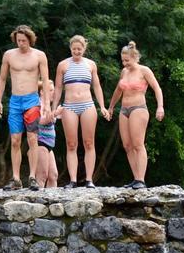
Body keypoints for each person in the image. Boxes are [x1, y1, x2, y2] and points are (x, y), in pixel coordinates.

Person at [0, 25, 49, 190]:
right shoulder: (9, 55)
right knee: (15, 140)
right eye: (18, 40)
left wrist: (46, 103)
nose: (21, 43)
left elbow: (46, 80)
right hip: (15, 101)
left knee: (33, 139)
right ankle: (16, 179)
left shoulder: (39, 55)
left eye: (24, 40)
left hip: (32, 100)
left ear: (30, 39)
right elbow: (2, 79)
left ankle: (32, 177)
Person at [105, 41, 165, 190]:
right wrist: (111, 107)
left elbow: (157, 88)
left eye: (127, 60)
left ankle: (141, 179)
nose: (125, 63)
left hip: (138, 108)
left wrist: (160, 107)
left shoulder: (144, 71)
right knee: (127, 145)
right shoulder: (124, 72)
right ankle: (135, 178)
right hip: (124, 110)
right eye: (123, 60)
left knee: (138, 144)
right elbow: (118, 91)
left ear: (135, 58)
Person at [51, 35, 108, 188]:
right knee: (71, 144)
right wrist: (54, 108)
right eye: (74, 49)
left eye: (79, 49)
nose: (77, 51)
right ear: (70, 48)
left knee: (89, 142)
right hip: (69, 106)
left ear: (84, 49)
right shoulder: (63, 65)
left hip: (87, 105)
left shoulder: (91, 64)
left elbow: (97, 86)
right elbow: (57, 88)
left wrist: (102, 106)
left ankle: (89, 179)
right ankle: (73, 180)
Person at [29, 83, 60, 188]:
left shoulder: (47, 107)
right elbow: (40, 121)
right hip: (40, 143)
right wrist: (55, 114)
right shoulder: (37, 104)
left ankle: (52, 201)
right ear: (42, 92)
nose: (54, 93)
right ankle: (38, 202)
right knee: (42, 176)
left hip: (48, 145)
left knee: (53, 175)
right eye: (51, 90)